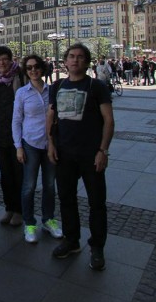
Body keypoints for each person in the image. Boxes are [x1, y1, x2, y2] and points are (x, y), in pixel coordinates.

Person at [47, 43, 114, 271]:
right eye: (71, 57)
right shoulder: (57, 86)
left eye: (80, 57)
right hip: (64, 153)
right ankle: (71, 240)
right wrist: (51, 144)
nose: (75, 60)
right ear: (65, 62)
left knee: (97, 203)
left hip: (90, 154)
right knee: (66, 199)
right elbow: (51, 116)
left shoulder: (97, 86)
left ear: (87, 62)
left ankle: (97, 246)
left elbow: (108, 120)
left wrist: (102, 150)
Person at [12, 54, 62, 243]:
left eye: (36, 67)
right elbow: (16, 121)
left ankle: (48, 219)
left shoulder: (53, 91)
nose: (33, 70)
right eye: (29, 68)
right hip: (30, 143)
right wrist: (18, 146)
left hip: (50, 144)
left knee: (50, 185)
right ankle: (29, 223)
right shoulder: (22, 93)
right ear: (26, 71)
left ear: (42, 69)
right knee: (29, 186)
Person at [0, 46, 24, 227]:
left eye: (4, 59)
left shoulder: (19, 77)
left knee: (18, 174)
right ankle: (9, 207)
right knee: (5, 174)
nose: (1, 63)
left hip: (17, 136)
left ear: (11, 59)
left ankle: (19, 210)